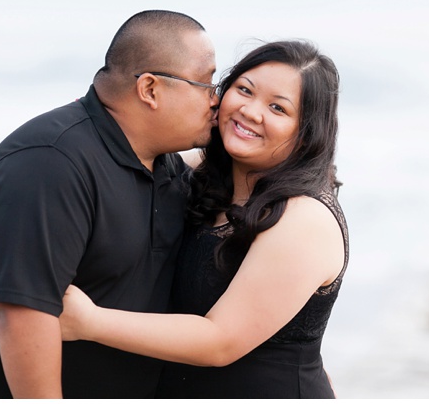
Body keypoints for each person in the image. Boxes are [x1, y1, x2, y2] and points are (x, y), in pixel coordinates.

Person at [0, 10, 220, 398]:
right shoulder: (47, 163)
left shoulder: (167, 170)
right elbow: (23, 315)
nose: (216, 101)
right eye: (206, 83)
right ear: (150, 90)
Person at [59, 40, 349, 398]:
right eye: (244, 90)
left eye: (277, 107)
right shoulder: (203, 175)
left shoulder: (304, 219)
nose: (251, 111)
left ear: (306, 134)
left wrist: (88, 322)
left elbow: (220, 341)